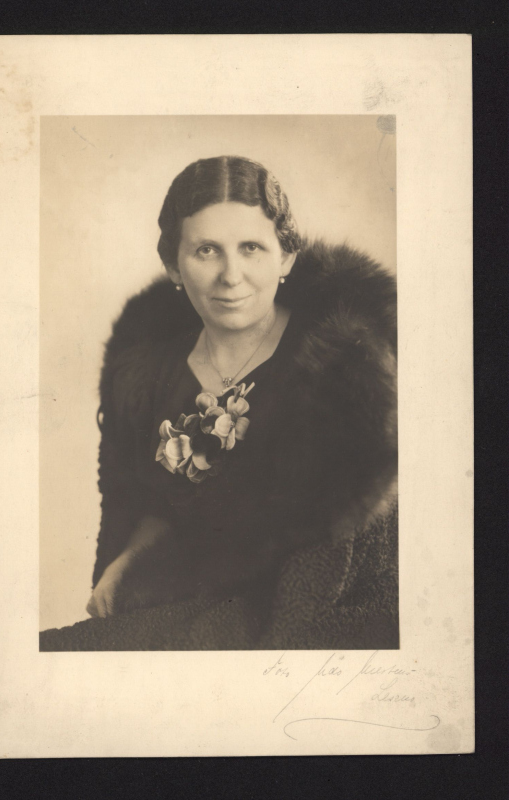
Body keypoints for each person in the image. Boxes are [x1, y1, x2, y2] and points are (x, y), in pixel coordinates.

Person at [40, 155, 398, 651]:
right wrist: (126, 561)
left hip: (311, 609)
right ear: (174, 266)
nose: (231, 275)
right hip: (199, 601)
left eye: (252, 247)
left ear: (286, 257)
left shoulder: (335, 363)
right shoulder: (157, 374)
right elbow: (157, 503)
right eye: (207, 250)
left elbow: (343, 541)